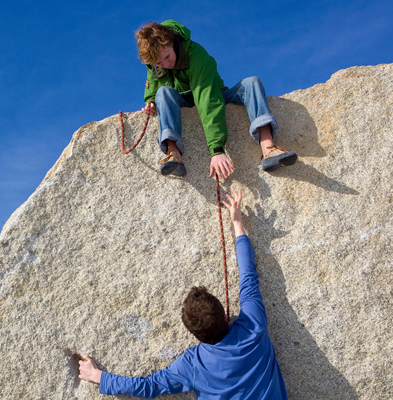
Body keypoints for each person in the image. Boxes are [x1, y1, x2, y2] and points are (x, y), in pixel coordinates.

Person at [78, 189, 288, 399]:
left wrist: (98, 376)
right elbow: (248, 276)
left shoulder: (193, 365)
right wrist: (238, 223)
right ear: (224, 315)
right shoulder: (253, 326)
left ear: (196, 336)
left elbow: (148, 386)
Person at [135, 20, 297, 178]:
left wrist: (217, 150)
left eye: (167, 57)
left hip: (214, 94)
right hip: (184, 100)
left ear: (172, 43)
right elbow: (153, 81)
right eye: (159, 63)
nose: (165, 64)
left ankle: (268, 148)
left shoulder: (196, 56)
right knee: (162, 93)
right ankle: (174, 154)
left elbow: (207, 100)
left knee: (251, 82)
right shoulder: (156, 62)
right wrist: (150, 100)